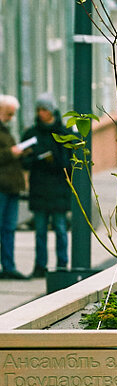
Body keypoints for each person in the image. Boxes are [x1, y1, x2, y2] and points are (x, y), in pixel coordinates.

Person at [25, 93, 72, 278]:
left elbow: (68, 164)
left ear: (51, 110)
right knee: (40, 232)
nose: (41, 113)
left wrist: (52, 159)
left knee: (60, 229)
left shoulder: (63, 134)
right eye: (38, 109)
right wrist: (34, 157)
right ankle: (40, 265)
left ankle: (62, 265)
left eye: (44, 109)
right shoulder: (31, 133)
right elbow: (24, 160)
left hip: (58, 189)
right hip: (39, 189)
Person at [0, 95, 27, 279]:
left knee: (9, 228)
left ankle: (9, 266)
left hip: (11, 187)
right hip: (2, 186)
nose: (11, 117)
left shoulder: (6, 131)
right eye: (9, 113)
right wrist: (11, 152)